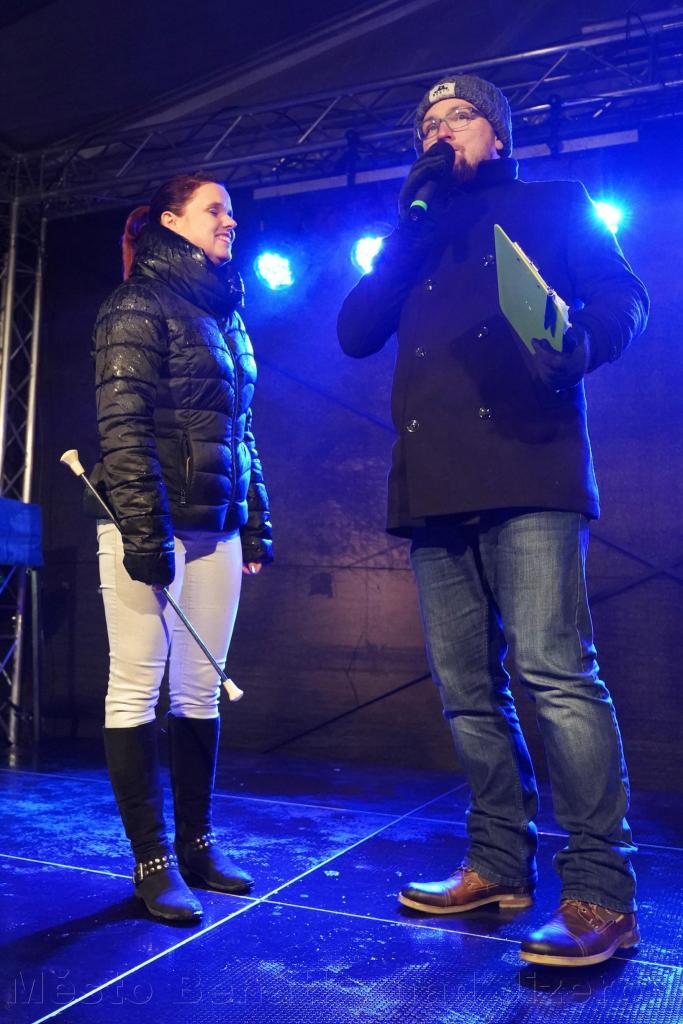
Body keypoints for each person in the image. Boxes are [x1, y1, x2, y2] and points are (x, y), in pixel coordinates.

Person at [337, 74, 649, 967]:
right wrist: (407, 229)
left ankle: (599, 893)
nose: (439, 131)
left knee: (555, 674)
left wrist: (579, 342)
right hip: (432, 483)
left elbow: (623, 297)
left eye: (458, 117)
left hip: (528, 463)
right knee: (467, 690)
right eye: (426, 124)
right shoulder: (415, 230)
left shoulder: (556, 202)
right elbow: (355, 331)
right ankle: (498, 866)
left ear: (497, 135)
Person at [91, 173, 273, 922]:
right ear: (172, 221)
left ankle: (197, 845)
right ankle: (153, 860)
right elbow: (122, 422)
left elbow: (241, 429)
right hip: (151, 522)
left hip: (216, 527)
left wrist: (253, 519)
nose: (230, 220)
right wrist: (142, 527)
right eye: (214, 209)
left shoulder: (228, 314)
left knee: (201, 689)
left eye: (231, 210)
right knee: (136, 684)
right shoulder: (134, 305)